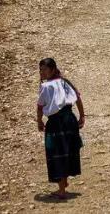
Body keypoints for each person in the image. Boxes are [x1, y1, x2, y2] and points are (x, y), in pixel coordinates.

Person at [36, 58, 85, 199]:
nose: (42, 72)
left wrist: (39, 121)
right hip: (69, 120)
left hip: (56, 123)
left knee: (56, 153)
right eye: (40, 70)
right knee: (67, 151)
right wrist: (82, 115)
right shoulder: (64, 82)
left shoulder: (46, 86)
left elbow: (40, 107)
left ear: (52, 70)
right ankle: (63, 182)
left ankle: (61, 189)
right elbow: (78, 98)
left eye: (44, 69)